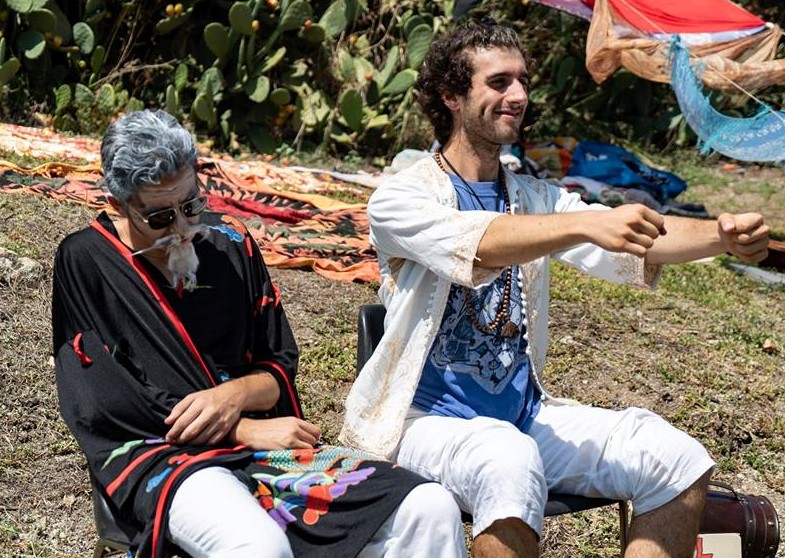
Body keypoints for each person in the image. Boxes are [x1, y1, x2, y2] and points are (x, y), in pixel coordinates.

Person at [339, 17, 770, 558]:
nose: (518, 95)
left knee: (672, 456)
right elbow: (482, 243)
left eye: (522, 80)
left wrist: (722, 236)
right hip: (421, 424)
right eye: (498, 82)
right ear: (451, 95)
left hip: (523, 417)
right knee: (507, 458)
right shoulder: (402, 198)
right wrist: (585, 223)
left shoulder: (533, 196)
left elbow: (639, 240)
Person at [52, 109, 466, 558]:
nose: (181, 228)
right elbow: (109, 402)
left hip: (266, 449)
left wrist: (235, 396)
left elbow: (277, 364)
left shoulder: (230, 244)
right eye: (160, 218)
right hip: (165, 456)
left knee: (429, 506)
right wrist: (241, 429)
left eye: (192, 205)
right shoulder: (86, 261)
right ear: (118, 204)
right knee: (257, 546)